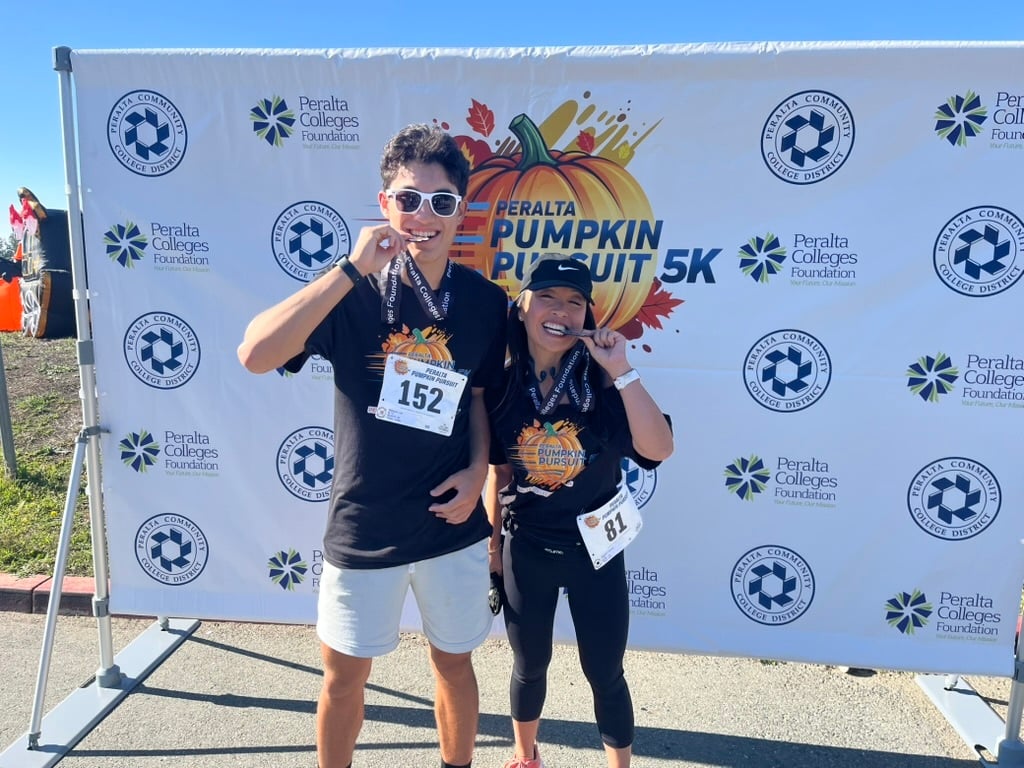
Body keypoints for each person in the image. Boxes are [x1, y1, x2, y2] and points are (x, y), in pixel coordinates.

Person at [237, 124, 508, 768]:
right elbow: (255, 353)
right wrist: (350, 268)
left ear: (461, 211)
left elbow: (477, 398)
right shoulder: (351, 292)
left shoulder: (486, 302)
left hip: (449, 523)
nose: (424, 216)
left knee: (455, 665)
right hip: (365, 523)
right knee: (343, 678)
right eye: (409, 199)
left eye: (441, 202)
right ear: (385, 204)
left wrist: (477, 472)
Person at [484, 253, 674, 768]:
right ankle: (525, 757)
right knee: (528, 666)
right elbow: (498, 474)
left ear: (587, 316)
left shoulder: (603, 378)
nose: (560, 310)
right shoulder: (501, 381)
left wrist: (622, 370)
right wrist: (493, 551)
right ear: (522, 306)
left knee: (605, 673)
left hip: (597, 550)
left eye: (574, 302)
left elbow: (659, 449)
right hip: (528, 547)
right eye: (547, 296)